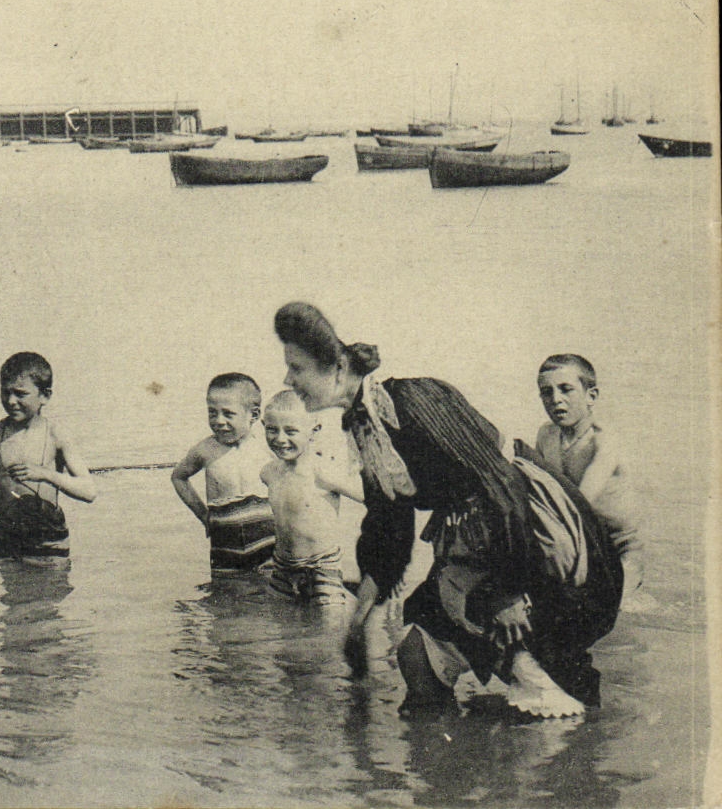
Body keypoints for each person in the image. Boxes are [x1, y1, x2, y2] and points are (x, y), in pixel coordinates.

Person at [274, 301, 621, 718]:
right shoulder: (363, 424)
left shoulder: (414, 399)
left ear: (335, 368)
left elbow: (500, 483)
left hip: (542, 543)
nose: (288, 379)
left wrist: (505, 594)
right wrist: (361, 615)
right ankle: (440, 745)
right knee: (417, 647)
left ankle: (555, 711)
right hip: (488, 546)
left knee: (548, 686)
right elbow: (390, 526)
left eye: (297, 368)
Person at [515, 354, 647, 610]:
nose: (556, 399)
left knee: (605, 612)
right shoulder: (547, 435)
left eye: (566, 389)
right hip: (576, 544)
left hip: (618, 550)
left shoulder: (605, 441)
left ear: (591, 396)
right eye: (546, 392)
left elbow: (578, 502)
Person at [0, 352, 97, 568]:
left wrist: (45, 474)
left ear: (45, 396)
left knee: (47, 600)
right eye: (5, 393)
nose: (11, 401)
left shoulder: (55, 434)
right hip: (7, 541)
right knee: (10, 598)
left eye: (20, 394)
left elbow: (89, 491)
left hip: (50, 545)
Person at [258, 391, 363, 606]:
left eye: (291, 431)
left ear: (313, 431)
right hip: (282, 568)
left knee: (328, 628)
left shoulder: (322, 472)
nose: (280, 439)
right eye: (272, 430)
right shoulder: (268, 472)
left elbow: (369, 496)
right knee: (278, 626)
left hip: (322, 566)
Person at [170, 373, 276, 573]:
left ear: (253, 415)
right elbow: (178, 477)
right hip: (224, 542)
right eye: (212, 412)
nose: (218, 421)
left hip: (266, 539)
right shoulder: (205, 450)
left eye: (228, 414)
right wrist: (203, 515)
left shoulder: (265, 447)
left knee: (269, 590)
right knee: (226, 590)